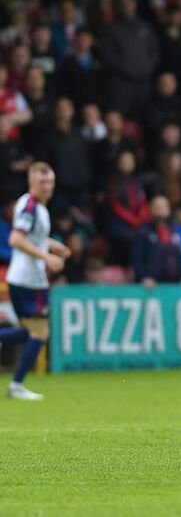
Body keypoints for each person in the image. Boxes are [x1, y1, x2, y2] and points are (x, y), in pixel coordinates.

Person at [0, 163, 70, 400]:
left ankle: (16, 385)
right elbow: (16, 239)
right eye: (42, 182)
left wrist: (51, 244)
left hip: (19, 279)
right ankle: (17, 386)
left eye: (50, 182)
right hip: (31, 280)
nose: (47, 187)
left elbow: (32, 236)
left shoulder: (29, 204)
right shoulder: (31, 206)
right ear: (32, 183)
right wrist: (46, 257)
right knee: (39, 333)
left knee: (33, 332)